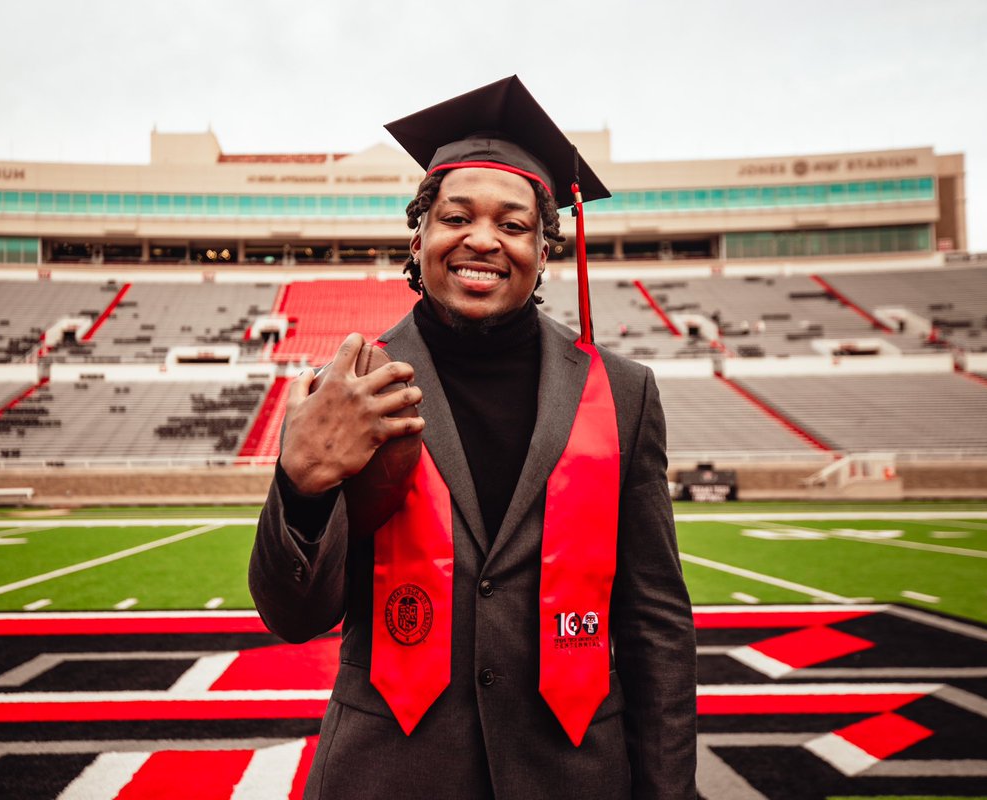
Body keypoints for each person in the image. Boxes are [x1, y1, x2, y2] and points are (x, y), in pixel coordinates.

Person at [251, 76, 697, 799]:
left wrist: (667, 790)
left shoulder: (622, 391)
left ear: (545, 247)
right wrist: (300, 491)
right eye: (456, 216)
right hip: (390, 774)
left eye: (514, 224)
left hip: (575, 774)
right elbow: (293, 616)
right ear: (419, 234)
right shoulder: (352, 386)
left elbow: (656, 624)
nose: (482, 240)